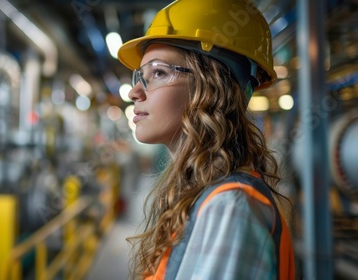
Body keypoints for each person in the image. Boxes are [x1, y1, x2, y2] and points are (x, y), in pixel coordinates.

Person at [117, 0, 296, 279]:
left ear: (210, 87)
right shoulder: (200, 197)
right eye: (140, 76)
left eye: (158, 73)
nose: (135, 92)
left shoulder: (229, 207)